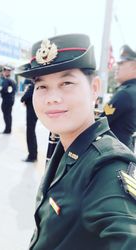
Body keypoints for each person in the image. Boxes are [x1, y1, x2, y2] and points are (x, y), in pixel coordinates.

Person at [16, 34, 136, 249]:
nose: (52, 97)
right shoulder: (68, 144)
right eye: (41, 86)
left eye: (66, 83)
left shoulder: (107, 167)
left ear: (94, 88)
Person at [101, 45, 136, 151]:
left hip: (113, 151)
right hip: (124, 149)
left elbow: (102, 121)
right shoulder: (131, 91)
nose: (117, 66)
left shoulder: (125, 94)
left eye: (121, 63)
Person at [20, 79, 38, 162]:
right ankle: (33, 154)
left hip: (31, 113)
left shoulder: (32, 86)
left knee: (30, 133)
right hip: (34, 112)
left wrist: (24, 96)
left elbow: (23, 98)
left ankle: (32, 156)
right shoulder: (37, 86)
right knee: (31, 133)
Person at [0, 65, 17, 134]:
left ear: (6, 72)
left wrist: (0, 90)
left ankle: (7, 130)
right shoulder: (13, 80)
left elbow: (4, 89)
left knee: (6, 115)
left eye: (4, 71)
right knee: (9, 115)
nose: (3, 73)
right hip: (11, 99)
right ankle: (8, 129)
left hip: (6, 100)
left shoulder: (6, 80)